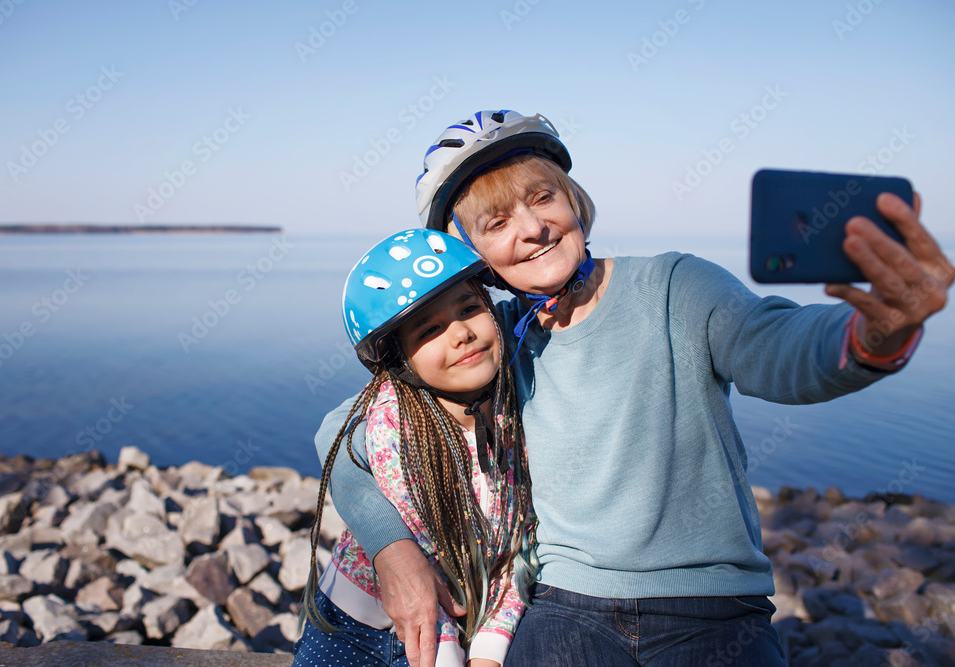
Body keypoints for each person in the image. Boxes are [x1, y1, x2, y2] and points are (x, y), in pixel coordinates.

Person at [315, 110, 953, 666]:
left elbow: (778, 349)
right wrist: (393, 547)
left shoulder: (678, 287)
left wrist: (876, 333)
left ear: (574, 201)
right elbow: (343, 432)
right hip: (567, 607)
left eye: (543, 198)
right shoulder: (496, 336)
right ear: (474, 254)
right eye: (497, 220)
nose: (532, 228)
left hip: (712, 605)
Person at [294, 228, 534, 667]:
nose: (460, 333)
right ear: (400, 360)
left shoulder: (521, 411)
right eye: (430, 329)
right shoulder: (391, 430)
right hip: (356, 626)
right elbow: (427, 575)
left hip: (466, 630)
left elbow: (519, 549)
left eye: (469, 308)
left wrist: (488, 652)